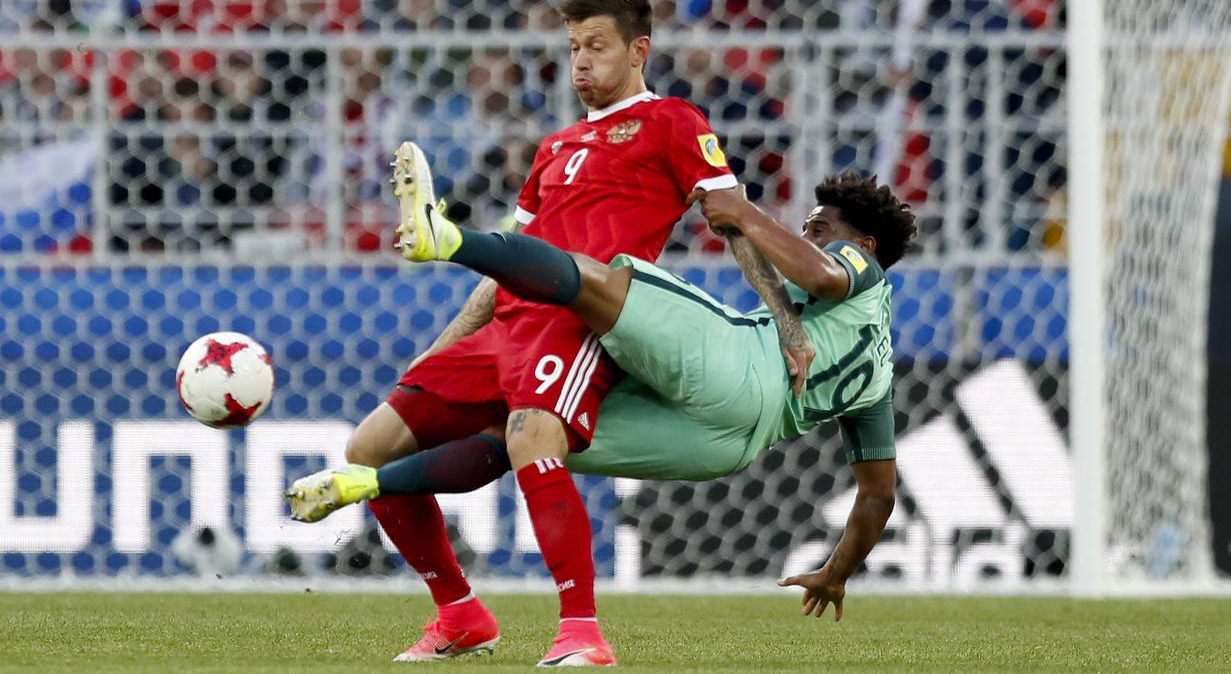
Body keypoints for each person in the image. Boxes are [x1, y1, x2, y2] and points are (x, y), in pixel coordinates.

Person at [287, 0, 808, 667]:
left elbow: (733, 221)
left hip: (581, 316)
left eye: (595, 47)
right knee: (369, 447)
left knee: (532, 432)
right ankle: (460, 615)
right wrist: (440, 353)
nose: (580, 63)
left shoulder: (674, 121)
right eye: (571, 50)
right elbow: (506, 262)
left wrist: (788, 324)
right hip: (505, 321)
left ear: (637, 50)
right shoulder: (554, 147)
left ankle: (582, 633)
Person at [289, 170, 916, 630]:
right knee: (531, 433)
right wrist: (836, 572)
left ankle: (449, 240)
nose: (808, 231)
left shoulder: (859, 269)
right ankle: (365, 485)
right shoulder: (878, 371)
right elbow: (878, 493)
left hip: (743, 368)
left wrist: (747, 217)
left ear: (859, 244)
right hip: (728, 445)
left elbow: (825, 274)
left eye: (822, 226)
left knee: (597, 278)